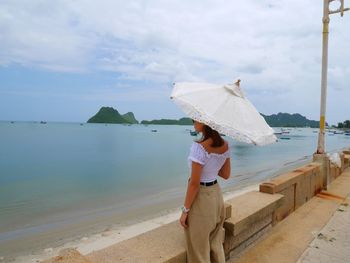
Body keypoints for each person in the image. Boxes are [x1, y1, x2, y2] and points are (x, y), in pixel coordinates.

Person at [180, 119, 231, 263]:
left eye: (195, 120)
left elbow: (194, 184)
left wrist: (185, 211)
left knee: (198, 250)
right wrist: (212, 166)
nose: (193, 123)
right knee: (215, 243)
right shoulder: (225, 145)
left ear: (205, 122)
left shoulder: (199, 147)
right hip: (216, 195)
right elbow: (226, 175)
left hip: (202, 198)